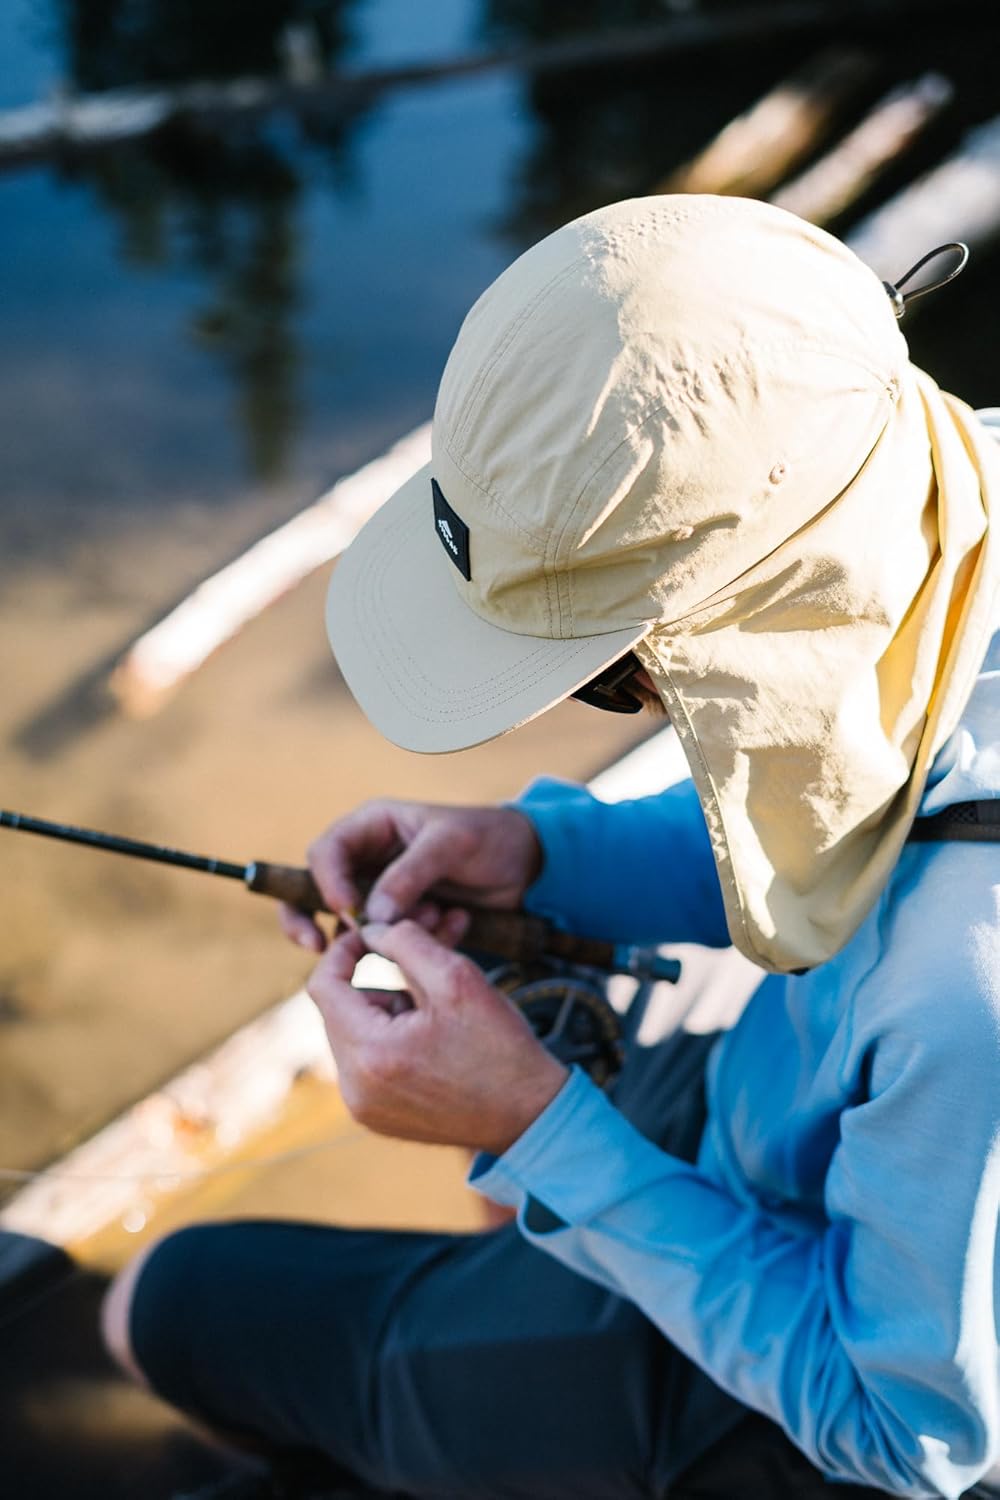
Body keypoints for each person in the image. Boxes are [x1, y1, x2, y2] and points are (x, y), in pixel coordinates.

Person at [102, 196, 999, 1499]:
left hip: (819, 1383)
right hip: (798, 1125)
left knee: (161, 1309)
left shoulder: (964, 1001)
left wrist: (534, 1125)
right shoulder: (945, 501)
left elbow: (910, 1437)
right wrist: (546, 856)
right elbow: (875, 791)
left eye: (604, 676)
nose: (628, 701)